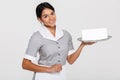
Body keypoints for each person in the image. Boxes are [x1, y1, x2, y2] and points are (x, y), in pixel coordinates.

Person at [22, 2, 94, 80]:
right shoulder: (37, 36)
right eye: (45, 16)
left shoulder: (65, 34)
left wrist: (82, 45)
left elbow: (70, 60)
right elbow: (25, 64)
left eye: (52, 13)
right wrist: (49, 69)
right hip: (43, 77)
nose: (51, 18)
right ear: (40, 19)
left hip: (61, 76)